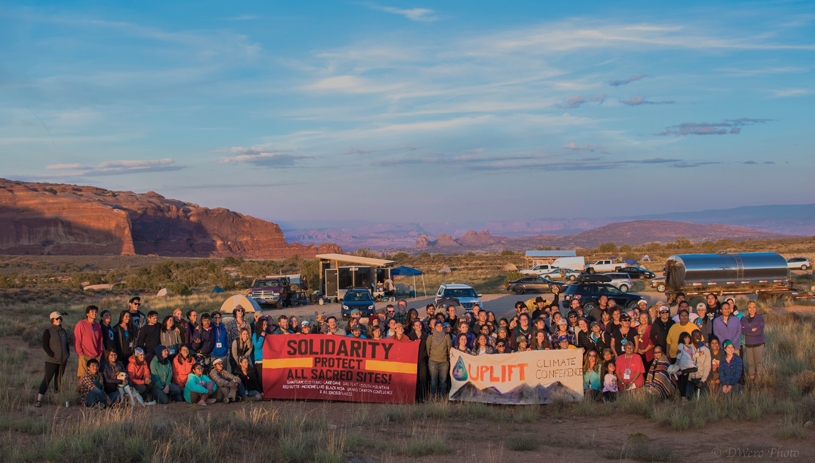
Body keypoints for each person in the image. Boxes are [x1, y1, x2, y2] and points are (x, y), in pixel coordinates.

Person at [36, 311, 70, 407]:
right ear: (52, 320)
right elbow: (45, 345)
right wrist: (52, 355)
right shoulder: (48, 331)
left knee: (58, 380)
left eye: (60, 318)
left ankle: (56, 399)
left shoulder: (63, 331)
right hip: (52, 360)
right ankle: (39, 399)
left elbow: (66, 344)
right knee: (47, 379)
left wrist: (67, 354)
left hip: (63, 360)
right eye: (57, 318)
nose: (59, 320)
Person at [74, 305, 104, 390]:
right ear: (87, 314)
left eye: (95, 312)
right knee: (83, 377)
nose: (94, 314)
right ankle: (79, 393)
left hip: (96, 356)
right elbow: (77, 340)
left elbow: (100, 341)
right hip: (85, 355)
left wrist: (99, 354)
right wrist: (81, 354)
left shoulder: (98, 326)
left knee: (94, 377)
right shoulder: (81, 324)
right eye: (92, 312)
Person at [741, 301, 765, 384]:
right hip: (748, 344)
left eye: (753, 307)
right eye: (750, 307)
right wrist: (751, 330)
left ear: (756, 308)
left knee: (758, 362)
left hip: (759, 343)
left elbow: (759, 331)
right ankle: (752, 381)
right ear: (747, 308)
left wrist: (747, 331)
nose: (752, 309)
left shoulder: (760, 318)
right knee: (750, 362)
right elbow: (741, 330)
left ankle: (759, 380)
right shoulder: (744, 319)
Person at [426, 320, 451, 398]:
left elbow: (449, 348)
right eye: (437, 326)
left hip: (444, 361)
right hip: (433, 361)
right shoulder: (431, 336)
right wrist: (431, 357)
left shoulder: (447, 336)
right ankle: (433, 398)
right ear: (435, 327)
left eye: (441, 326)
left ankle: (443, 398)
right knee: (433, 381)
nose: (439, 328)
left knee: (443, 381)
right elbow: (428, 348)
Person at [408, 319, 429, 402]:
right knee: (414, 380)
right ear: (413, 327)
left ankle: (422, 397)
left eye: (419, 325)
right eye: (416, 325)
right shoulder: (410, 336)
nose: (418, 327)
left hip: (423, 361)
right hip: (413, 361)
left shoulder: (425, 335)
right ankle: (414, 397)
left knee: (423, 379)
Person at [688, 330, 711, 398]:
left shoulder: (706, 350)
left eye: (699, 336)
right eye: (695, 336)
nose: (697, 338)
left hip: (700, 378)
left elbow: (707, 366)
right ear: (692, 337)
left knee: (705, 397)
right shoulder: (687, 348)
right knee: (689, 397)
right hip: (690, 378)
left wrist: (703, 380)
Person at [252, 319, 268, 385]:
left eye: (266, 325)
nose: (265, 326)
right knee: (261, 377)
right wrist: (261, 337)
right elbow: (257, 346)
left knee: (267, 377)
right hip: (259, 360)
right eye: (264, 324)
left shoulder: (267, 334)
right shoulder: (255, 335)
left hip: (267, 359)